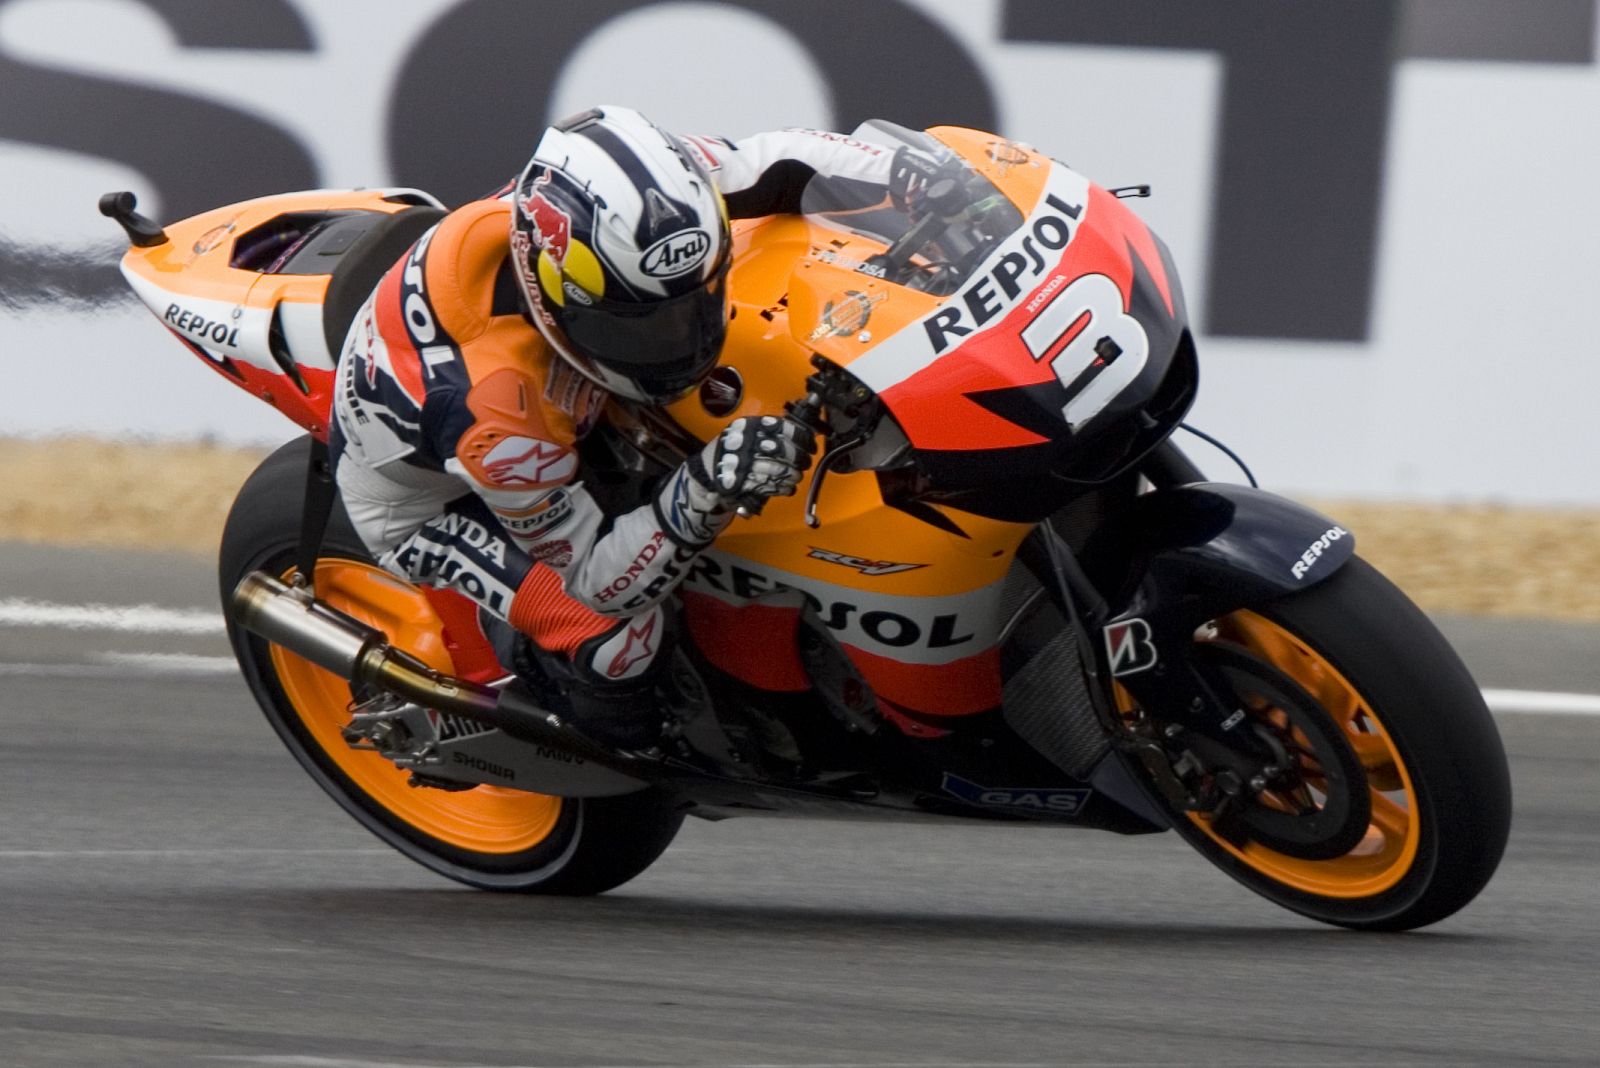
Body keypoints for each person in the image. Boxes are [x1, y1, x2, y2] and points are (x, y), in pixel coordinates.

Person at [330, 105, 929, 749]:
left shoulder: (637, 204)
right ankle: (591, 736)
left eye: (691, 307)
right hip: (435, 501)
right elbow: (597, 580)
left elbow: (772, 159)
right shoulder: (499, 417)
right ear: (553, 296)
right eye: (636, 328)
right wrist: (706, 487)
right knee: (616, 640)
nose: (680, 345)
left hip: (559, 404)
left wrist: (907, 175)